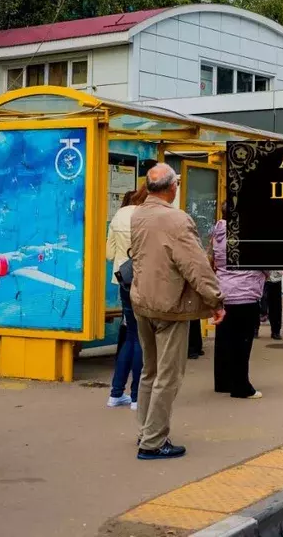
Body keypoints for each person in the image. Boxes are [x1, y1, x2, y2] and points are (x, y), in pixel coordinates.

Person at [130, 164, 224, 460]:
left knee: (149, 371)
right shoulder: (176, 220)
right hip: (169, 305)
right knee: (168, 376)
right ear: (172, 188)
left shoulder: (139, 214)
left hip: (141, 300)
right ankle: (154, 442)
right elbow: (195, 266)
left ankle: (145, 430)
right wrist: (215, 300)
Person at [210, 205, 268, 399]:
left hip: (224, 292)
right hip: (245, 293)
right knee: (243, 342)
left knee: (225, 339)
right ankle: (241, 386)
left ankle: (223, 381)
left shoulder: (217, 233)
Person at [105, 185, 148, 409]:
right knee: (141, 338)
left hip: (123, 280)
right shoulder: (145, 215)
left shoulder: (119, 215)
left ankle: (115, 393)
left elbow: (109, 254)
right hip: (144, 281)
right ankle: (136, 396)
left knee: (130, 335)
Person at [259, 270, 283, 340]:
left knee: (276, 305)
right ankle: (254, 329)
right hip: (259, 277)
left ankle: (276, 331)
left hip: (275, 277)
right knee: (257, 303)